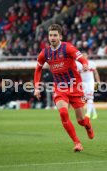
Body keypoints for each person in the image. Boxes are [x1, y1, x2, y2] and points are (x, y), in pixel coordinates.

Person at [33, 24, 94, 152]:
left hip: (75, 87)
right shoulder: (45, 53)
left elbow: (82, 59)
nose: (52, 37)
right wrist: (37, 87)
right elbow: (38, 69)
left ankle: (88, 125)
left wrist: (85, 64)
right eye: (50, 35)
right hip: (60, 88)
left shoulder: (68, 48)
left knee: (81, 121)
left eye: (55, 35)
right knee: (63, 113)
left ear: (60, 36)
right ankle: (77, 143)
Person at [76, 52, 100, 119]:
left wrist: (98, 82)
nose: (84, 57)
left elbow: (96, 73)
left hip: (91, 82)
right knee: (85, 99)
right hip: (83, 83)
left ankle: (88, 114)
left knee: (90, 97)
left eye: (85, 55)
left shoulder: (91, 63)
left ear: (87, 56)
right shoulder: (78, 64)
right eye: (82, 55)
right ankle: (94, 114)